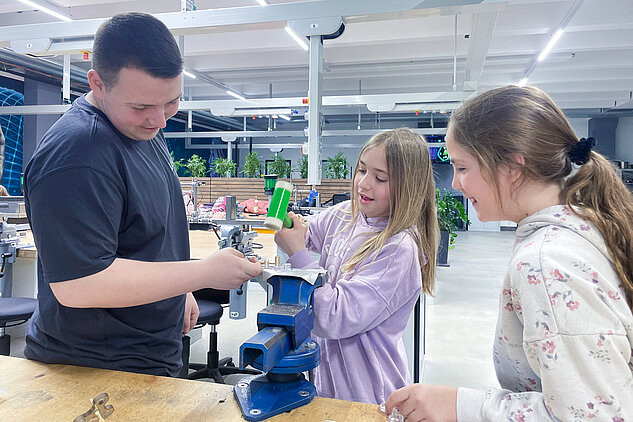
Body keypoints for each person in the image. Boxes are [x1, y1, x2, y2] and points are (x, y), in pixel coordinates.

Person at [23, 12, 261, 377]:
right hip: (94, 368)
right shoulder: (78, 156)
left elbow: (144, 234)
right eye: (142, 107)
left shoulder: (142, 127)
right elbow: (79, 284)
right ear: (98, 83)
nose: (161, 119)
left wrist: (177, 289)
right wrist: (199, 274)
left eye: (171, 102)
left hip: (147, 353)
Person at [386, 85, 633, 421]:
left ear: (512, 168)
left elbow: (598, 415)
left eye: (462, 167)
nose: (455, 184)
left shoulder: (548, 262)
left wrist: (460, 406)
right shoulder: (583, 226)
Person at [274, 127, 438, 404]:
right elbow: (309, 233)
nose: (364, 183)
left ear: (408, 186)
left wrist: (298, 254)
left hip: (368, 390)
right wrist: (289, 222)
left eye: (380, 178)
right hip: (329, 378)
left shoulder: (398, 248)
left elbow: (333, 317)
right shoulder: (348, 214)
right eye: (361, 170)